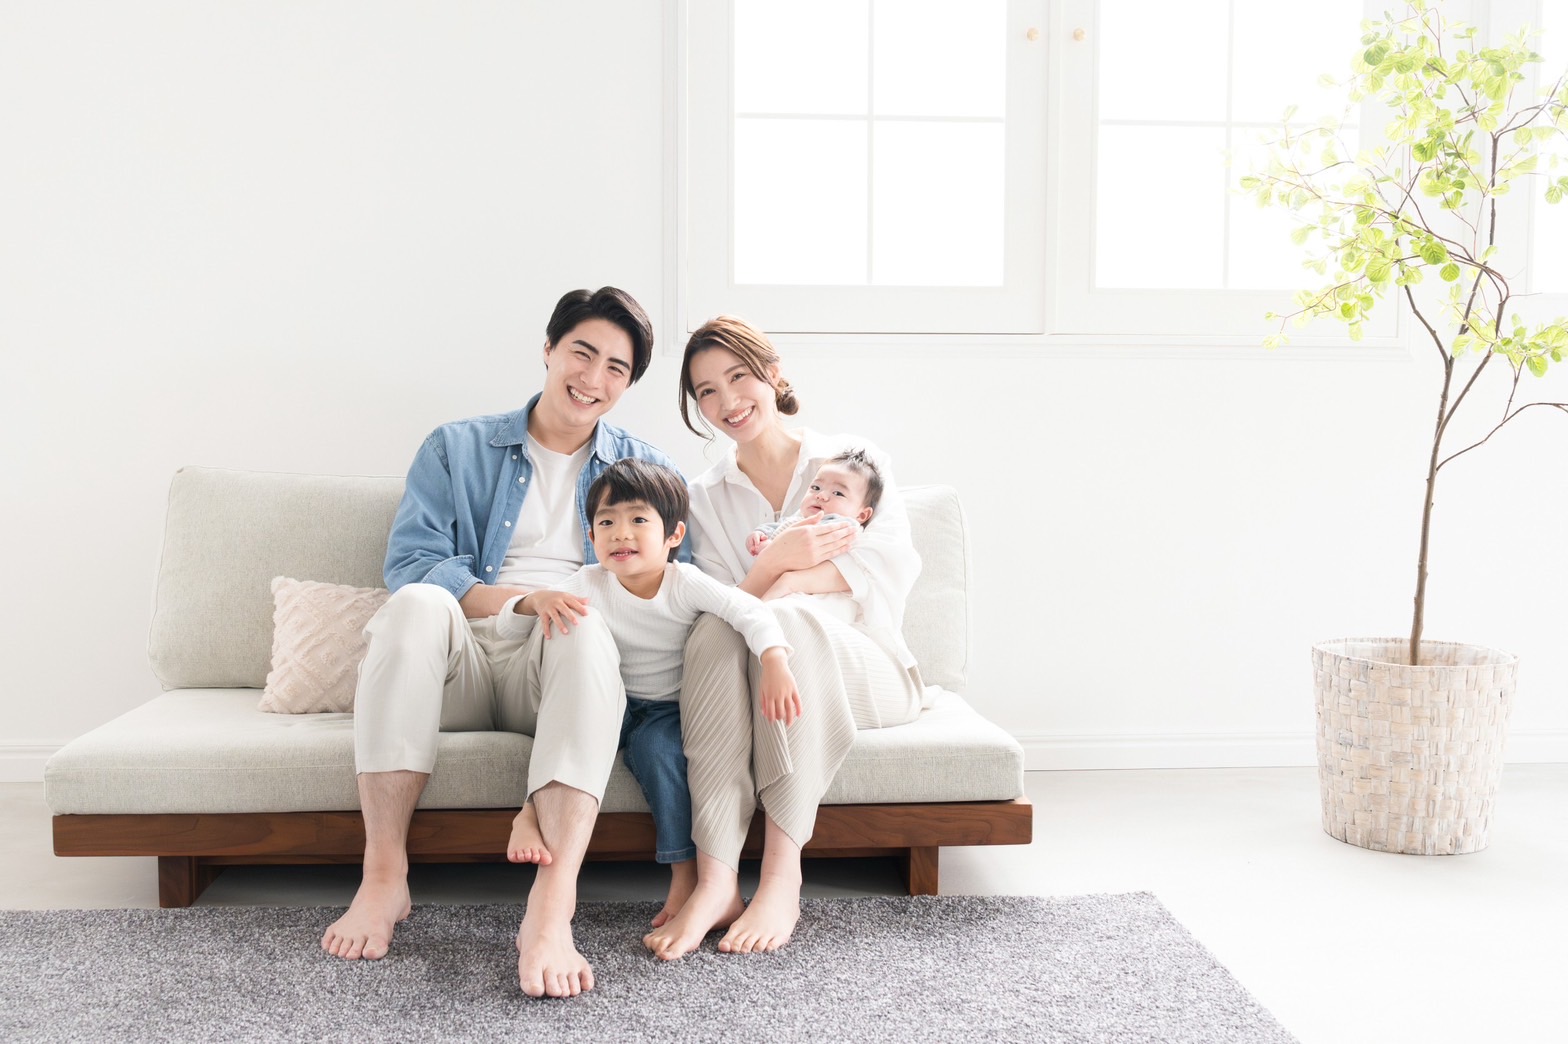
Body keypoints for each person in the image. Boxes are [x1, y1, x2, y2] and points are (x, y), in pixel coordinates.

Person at [319, 286, 683, 1000]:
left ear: (628, 383)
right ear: (548, 349)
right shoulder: (456, 447)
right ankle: (384, 875)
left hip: (557, 672)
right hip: (458, 661)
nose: (593, 378)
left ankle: (552, 906)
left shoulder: (644, 471)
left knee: (583, 623)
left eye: (616, 367)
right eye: (581, 353)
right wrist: (521, 598)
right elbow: (412, 563)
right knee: (416, 603)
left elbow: (669, 587)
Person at [644, 315, 928, 960]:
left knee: (786, 621)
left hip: (871, 668)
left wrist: (787, 580)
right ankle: (717, 881)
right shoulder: (703, 498)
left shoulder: (853, 461)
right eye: (706, 391)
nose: (727, 400)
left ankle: (780, 877)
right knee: (714, 632)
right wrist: (775, 562)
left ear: (773, 374)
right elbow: (719, 610)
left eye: (738, 377)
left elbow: (886, 569)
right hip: (757, 670)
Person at [499, 458, 802, 933]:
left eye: (638, 519)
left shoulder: (685, 583)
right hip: (610, 705)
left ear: (674, 535)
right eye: (606, 523)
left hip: (666, 710)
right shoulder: (588, 582)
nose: (621, 533)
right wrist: (534, 600)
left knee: (660, 754)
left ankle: (685, 876)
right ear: (591, 536)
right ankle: (529, 812)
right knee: (570, 731)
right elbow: (507, 625)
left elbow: (749, 612)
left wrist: (775, 661)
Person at [745, 449, 883, 610]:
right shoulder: (797, 518)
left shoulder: (842, 526)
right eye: (816, 487)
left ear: (862, 514)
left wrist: (773, 548)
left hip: (815, 599)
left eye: (838, 493)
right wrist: (760, 535)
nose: (821, 495)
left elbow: (804, 544)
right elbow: (778, 528)